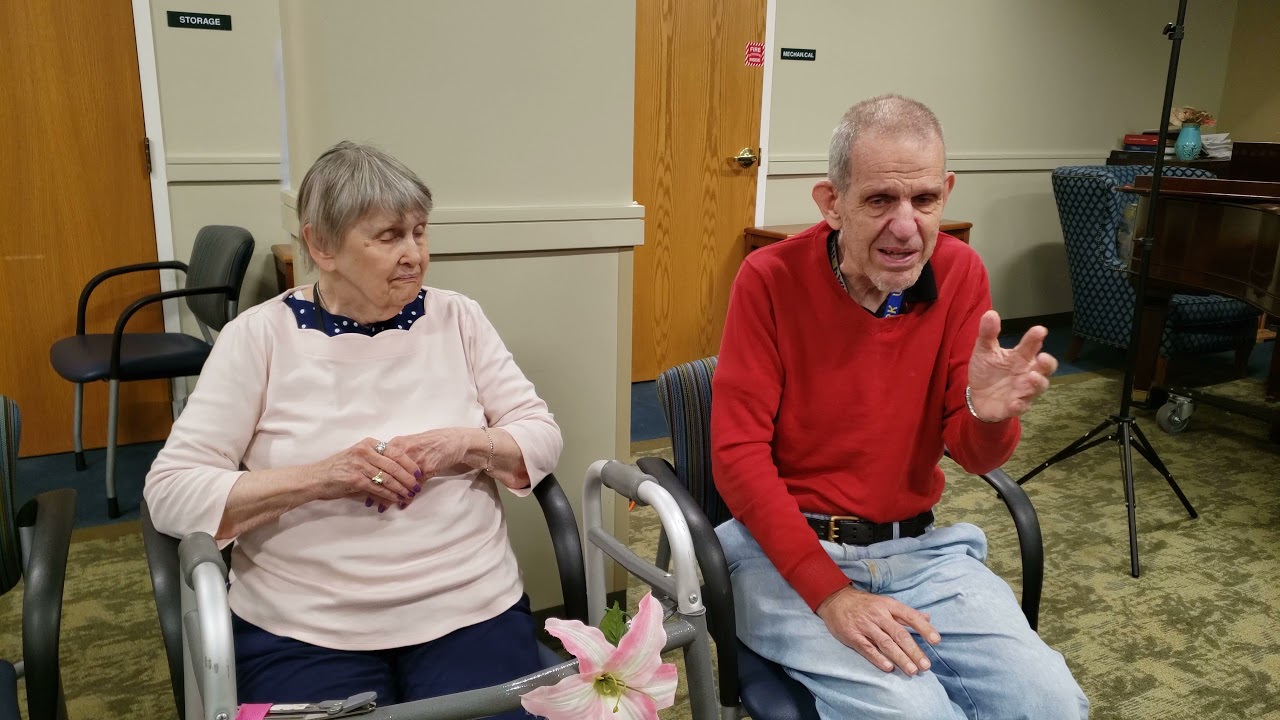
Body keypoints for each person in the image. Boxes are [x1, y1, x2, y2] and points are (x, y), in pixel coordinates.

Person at [144, 141, 561, 716]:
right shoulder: (258, 338)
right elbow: (171, 491)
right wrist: (323, 478)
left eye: (420, 232)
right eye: (389, 237)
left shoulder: (458, 318)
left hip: (469, 607)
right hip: (302, 626)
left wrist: (464, 444)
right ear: (322, 245)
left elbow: (539, 433)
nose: (414, 254)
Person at [710, 95, 1089, 719]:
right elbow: (737, 456)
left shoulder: (961, 273)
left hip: (920, 553)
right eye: (880, 200)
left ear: (946, 193)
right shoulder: (769, 278)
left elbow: (973, 454)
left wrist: (988, 416)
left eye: (925, 200)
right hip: (783, 554)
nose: (907, 227)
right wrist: (830, 594)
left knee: (1051, 703)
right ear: (832, 202)